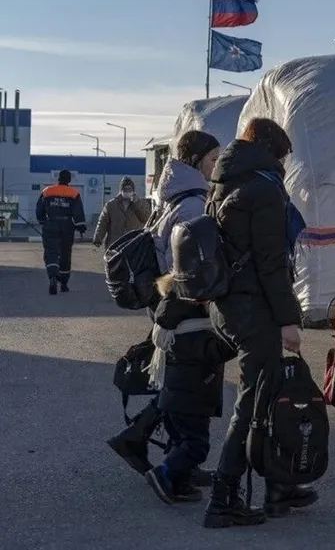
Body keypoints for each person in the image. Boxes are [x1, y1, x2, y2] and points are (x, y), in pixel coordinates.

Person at [203, 118, 316, 529]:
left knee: (264, 400)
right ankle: (222, 500)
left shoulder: (225, 180)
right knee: (252, 402)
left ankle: (278, 485)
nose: (285, 162)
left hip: (227, 302)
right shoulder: (264, 189)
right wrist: (289, 321)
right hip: (253, 308)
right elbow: (271, 264)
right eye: (283, 154)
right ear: (272, 149)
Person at [106, 130, 221, 485]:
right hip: (181, 305)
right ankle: (172, 460)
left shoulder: (175, 195)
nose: (216, 166)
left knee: (177, 384)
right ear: (195, 160)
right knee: (188, 387)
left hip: (165, 303)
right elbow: (184, 265)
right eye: (213, 159)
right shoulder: (191, 204)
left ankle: (160, 450)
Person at [144, 273, 235, 505]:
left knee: (181, 442)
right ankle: (163, 473)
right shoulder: (194, 329)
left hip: (176, 395)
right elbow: (216, 351)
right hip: (191, 395)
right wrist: (236, 338)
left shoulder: (173, 321)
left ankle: (179, 483)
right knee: (196, 445)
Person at [35, 169, 86, 295]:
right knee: (65, 254)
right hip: (67, 226)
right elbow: (78, 212)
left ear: (58, 179)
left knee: (51, 252)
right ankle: (63, 284)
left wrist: (43, 221)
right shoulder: (74, 193)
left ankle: (52, 277)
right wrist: (81, 226)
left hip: (51, 224)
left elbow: (39, 210)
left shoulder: (47, 191)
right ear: (69, 180)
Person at [92, 177, 152, 250]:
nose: (127, 191)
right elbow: (102, 222)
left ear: (133, 190)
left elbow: (146, 219)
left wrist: (136, 204)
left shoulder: (141, 203)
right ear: (121, 190)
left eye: (130, 189)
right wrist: (98, 238)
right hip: (115, 244)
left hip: (133, 243)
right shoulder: (111, 205)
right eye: (125, 189)